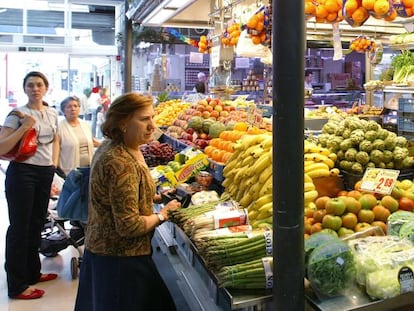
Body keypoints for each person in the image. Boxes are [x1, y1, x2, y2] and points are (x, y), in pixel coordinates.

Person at [74, 93, 181, 311]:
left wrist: (157, 197)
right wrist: (163, 214)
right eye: (144, 119)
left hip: (108, 253)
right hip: (119, 261)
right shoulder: (119, 162)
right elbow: (128, 225)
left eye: (152, 117)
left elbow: (126, 194)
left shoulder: (124, 147)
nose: (152, 126)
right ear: (122, 122)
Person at [0, 71, 59, 300]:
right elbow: (2, 147)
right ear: (25, 89)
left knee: (36, 224)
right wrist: (25, 127)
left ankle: (32, 273)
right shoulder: (17, 114)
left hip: (44, 172)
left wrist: (52, 165)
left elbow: (56, 140)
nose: (35, 89)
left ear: (46, 88)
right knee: (20, 228)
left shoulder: (52, 112)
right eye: (30, 85)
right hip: (22, 173)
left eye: (39, 85)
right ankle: (17, 285)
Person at [57, 96, 101, 177]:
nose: (73, 109)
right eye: (69, 107)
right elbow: (56, 150)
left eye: (75, 106)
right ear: (63, 110)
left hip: (88, 169)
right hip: (69, 171)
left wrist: (107, 144)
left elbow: (92, 141)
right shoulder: (59, 127)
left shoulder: (85, 125)